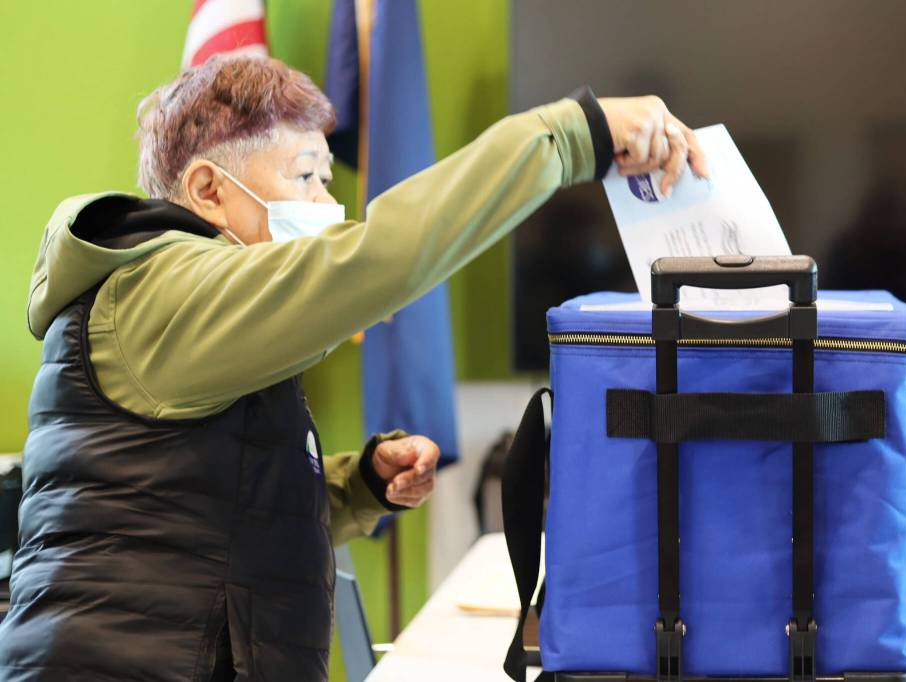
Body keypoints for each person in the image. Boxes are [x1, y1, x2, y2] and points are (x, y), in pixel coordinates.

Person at [0, 55, 706, 681]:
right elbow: (381, 258)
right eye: (304, 176)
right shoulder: (161, 292)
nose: (323, 205)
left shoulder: (188, 310)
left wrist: (358, 485)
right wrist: (571, 132)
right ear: (209, 191)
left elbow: (200, 509)